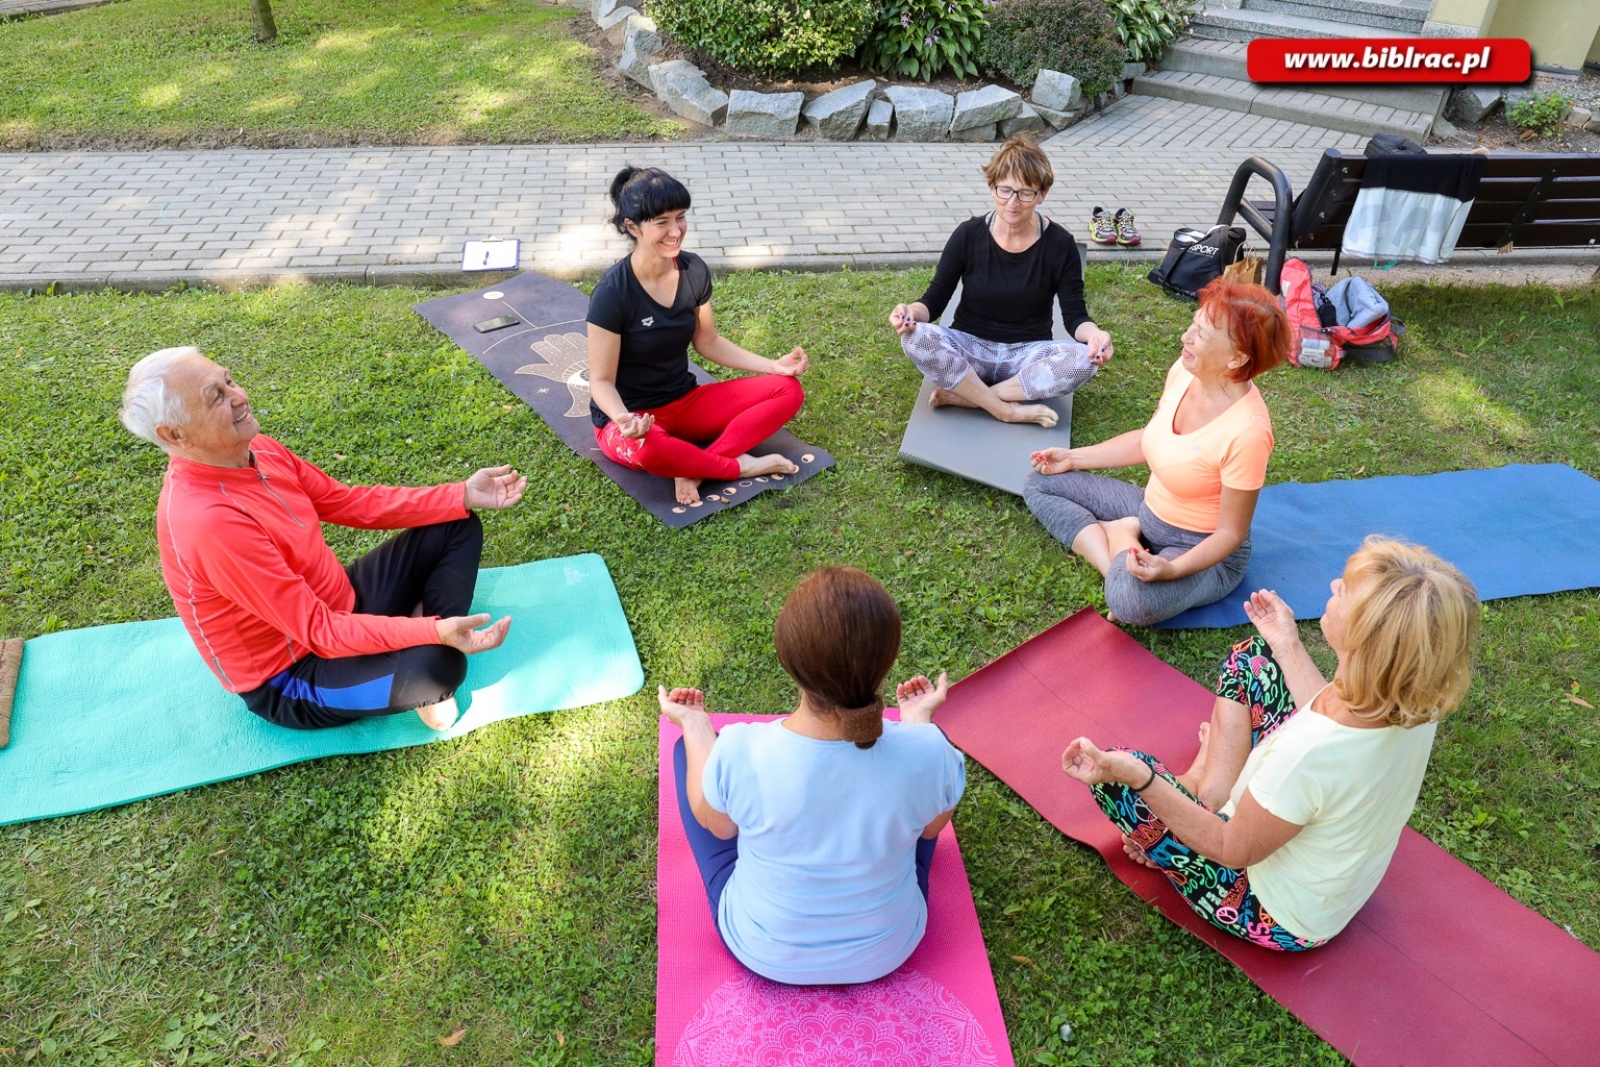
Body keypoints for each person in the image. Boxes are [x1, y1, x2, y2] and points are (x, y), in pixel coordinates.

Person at [1061, 538, 1479, 950]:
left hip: (1273, 911)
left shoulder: (1306, 755)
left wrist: (1141, 778)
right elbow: (1325, 710)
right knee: (1256, 661)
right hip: (1320, 871)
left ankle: (1191, 807)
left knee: (1117, 770)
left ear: (1363, 641)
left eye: (1344, 592)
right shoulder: (1413, 696)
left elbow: (1232, 849)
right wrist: (1286, 642)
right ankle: (1209, 792)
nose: (1334, 586)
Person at [118, 347, 526, 731]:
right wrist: (432, 635)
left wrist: (461, 494)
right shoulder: (208, 522)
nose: (239, 396)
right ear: (175, 435)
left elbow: (347, 502)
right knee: (437, 668)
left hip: (342, 603)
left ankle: (429, 631)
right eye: (216, 397)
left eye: (230, 381)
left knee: (456, 521)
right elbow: (319, 631)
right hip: (294, 673)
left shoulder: (258, 448)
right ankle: (428, 639)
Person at [659, 567, 966, 985]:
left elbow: (719, 827)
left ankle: (692, 734)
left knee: (687, 757)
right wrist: (918, 724)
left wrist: (695, 726)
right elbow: (930, 832)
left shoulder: (739, 750)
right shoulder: (929, 751)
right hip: (888, 948)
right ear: (887, 660)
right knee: (933, 767)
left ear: (788, 663)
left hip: (764, 949)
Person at [1023, 278, 1289, 626]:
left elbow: (1230, 534)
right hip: (1148, 511)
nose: (1185, 338)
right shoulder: (1185, 371)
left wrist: (1173, 568)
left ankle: (1121, 541)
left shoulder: (1248, 432)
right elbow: (1151, 439)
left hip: (1201, 551)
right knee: (1038, 483)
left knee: (1132, 602)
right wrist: (1073, 458)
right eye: (1193, 324)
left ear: (1237, 357)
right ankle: (1121, 544)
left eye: (1202, 335)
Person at [587, 166, 808, 506]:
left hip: (685, 403)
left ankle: (699, 468)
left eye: (680, 217)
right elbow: (601, 381)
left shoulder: (693, 270)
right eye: (662, 222)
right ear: (632, 227)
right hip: (634, 420)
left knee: (787, 390)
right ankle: (738, 466)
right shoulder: (613, 292)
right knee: (652, 449)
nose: (675, 231)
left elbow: (709, 342)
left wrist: (773, 367)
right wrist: (622, 418)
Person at [888, 133, 1114, 428]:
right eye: (1004, 190)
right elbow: (933, 301)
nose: (1013, 202)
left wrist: (1095, 335)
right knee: (915, 337)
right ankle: (1004, 409)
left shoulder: (1061, 244)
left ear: (1042, 193)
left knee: (1084, 359)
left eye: (1025, 193)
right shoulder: (968, 235)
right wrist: (909, 313)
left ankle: (971, 398)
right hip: (969, 350)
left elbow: (1075, 316)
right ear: (991, 186)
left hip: (1026, 357)